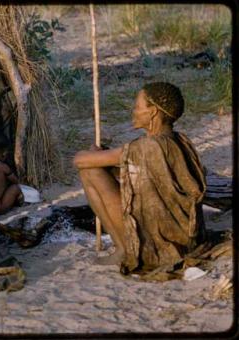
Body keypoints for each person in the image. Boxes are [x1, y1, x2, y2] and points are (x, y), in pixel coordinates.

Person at [72, 82, 206, 274]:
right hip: (187, 237)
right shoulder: (179, 139)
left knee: (90, 172)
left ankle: (124, 249)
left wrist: (95, 155)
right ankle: (123, 247)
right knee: (97, 168)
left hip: (162, 241)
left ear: (152, 112)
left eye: (137, 107)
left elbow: (79, 161)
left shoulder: (147, 146)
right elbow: (134, 171)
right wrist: (102, 157)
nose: (133, 111)